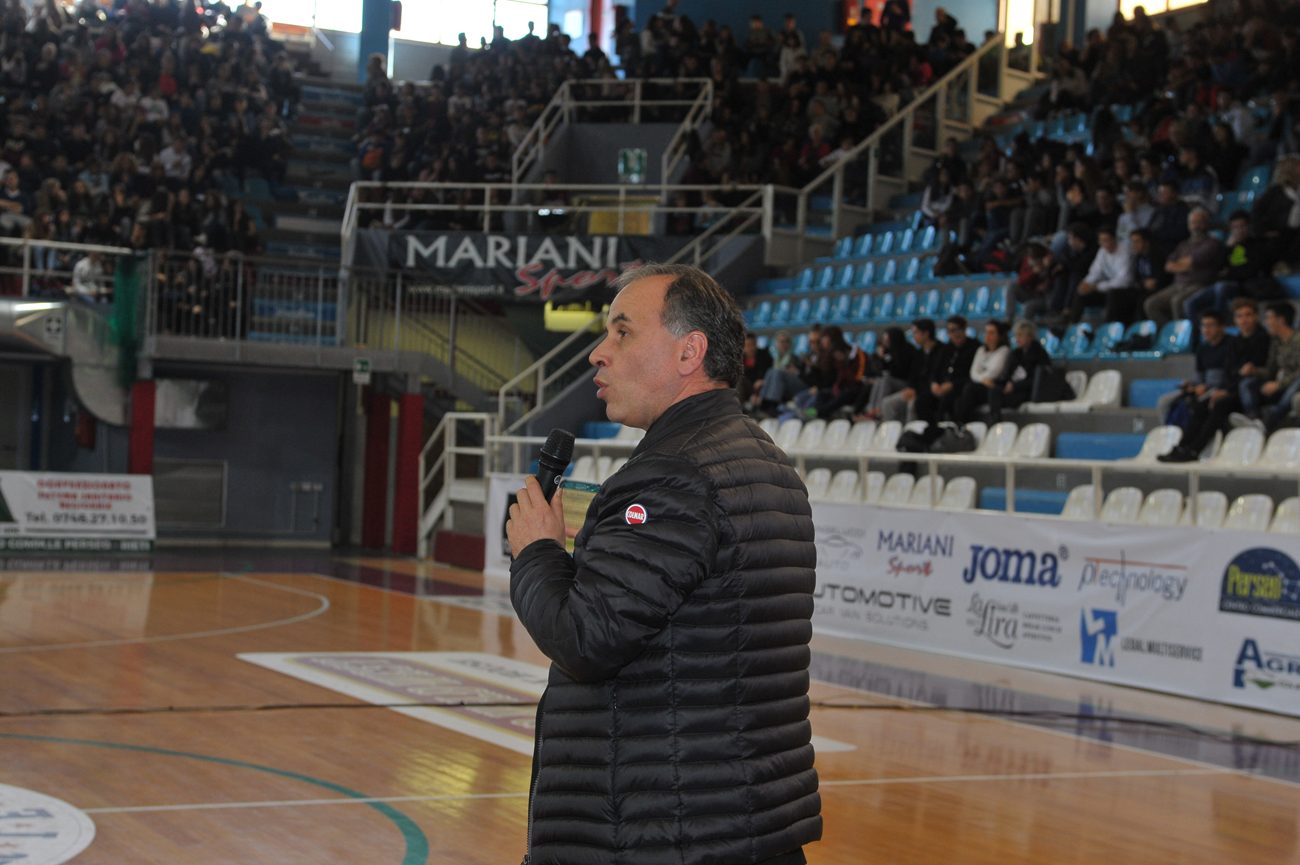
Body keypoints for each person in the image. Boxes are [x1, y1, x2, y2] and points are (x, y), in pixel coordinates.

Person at [506, 263, 822, 865]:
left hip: (659, 832)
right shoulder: (768, 462)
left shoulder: (673, 475)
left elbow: (585, 639)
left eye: (623, 332)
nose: (599, 353)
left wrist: (537, 552)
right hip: (738, 822)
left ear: (689, 352)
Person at [1156, 309, 1242, 459]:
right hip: (1203, 388)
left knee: (1202, 405)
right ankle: (1174, 444)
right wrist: (1192, 385)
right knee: (1165, 402)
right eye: (1203, 326)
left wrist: (1206, 387)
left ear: (1222, 327)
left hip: (1219, 389)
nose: (1206, 330)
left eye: (1211, 325)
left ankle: (1191, 448)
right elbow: (1200, 376)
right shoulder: (1202, 348)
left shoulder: (1231, 345)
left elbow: (1229, 375)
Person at [1141, 207, 1224, 327]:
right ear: (1189, 225)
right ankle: (1168, 332)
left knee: (1177, 301)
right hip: (1178, 284)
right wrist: (1184, 265)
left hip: (1200, 284)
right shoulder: (1183, 244)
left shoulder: (1212, 243)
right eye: (1193, 222)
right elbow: (1168, 266)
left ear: (1207, 224)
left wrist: (1180, 264)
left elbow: (1192, 262)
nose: (1196, 226)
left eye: (1199, 222)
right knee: (1151, 303)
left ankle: (1183, 334)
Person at [1230, 301, 1300, 432]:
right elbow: (1271, 370)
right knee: (1247, 384)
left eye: (1269, 318)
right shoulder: (1276, 341)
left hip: (1291, 385)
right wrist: (1255, 371)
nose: (1266, 322)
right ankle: (1254, 417)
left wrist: (1280, 384)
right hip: (1280, 384)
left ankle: (1271, 420)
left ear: (1280, 320)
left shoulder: (1297, 340)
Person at [881, 318, 951, 423]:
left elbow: (937, 377)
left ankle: (911, 431)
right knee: (887, 403)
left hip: (932, 391)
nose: (913, 336)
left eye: (916, 333)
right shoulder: (918, 354)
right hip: (917, 390)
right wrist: (911, 389)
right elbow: (913, 377)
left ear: (926, 333)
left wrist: (917, 392)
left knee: (913, 403)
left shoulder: (942, 351)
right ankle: (889, 430)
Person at [1069, 223, 1136, 324]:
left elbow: (1124, 281)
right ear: (1099, 242)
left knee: (1113, 294)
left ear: (1115, 238)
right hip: (1109, 288)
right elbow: (1095, 272)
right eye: (1103, 241)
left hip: (1126, 291)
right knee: (1081, 291)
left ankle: (1106, 327)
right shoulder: (1102, 251)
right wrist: (1086, 283)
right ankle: (1072, 324)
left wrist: (1096, 287)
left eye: (1108, 240)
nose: (1107, 244)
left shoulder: (1125, 251)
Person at [989, 320, 1051, 421]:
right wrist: (1005, 383)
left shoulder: (1039, 354)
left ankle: (997, 422)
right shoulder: (1016, 354)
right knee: (994, 389)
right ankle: (995, 422)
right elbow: (1008, 374)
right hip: (1014, 389)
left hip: (1027, 391)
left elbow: (1039, 380)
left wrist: (1015, 386)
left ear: (1030, 336)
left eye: (1020, 335)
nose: (1017, 339)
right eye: (1016, 335)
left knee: (1001, 397)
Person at [954, 320, 1011, 423]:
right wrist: (983, 379)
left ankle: (964, 423)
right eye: (986, 332)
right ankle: (959, 424)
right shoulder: (981, 350)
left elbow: (994, 372)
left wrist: (982, 378)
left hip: (993, 387)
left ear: (1000, 336)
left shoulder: (1004, 351)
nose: (987, 335)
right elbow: (973, 373)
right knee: (960, 394)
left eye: (991, 333)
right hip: (981, 384)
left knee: (970, 389)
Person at [933, 315, 978, 420]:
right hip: (943, 386)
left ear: (964, 330)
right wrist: (934, 383)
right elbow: (936, 369)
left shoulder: (974, 347)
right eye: (952, 331)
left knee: (949, 399)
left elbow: (972, 375)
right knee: (923, 399)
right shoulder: (946, 349)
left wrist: (952, 384)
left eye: (958, 330)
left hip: (961, 386)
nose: (955, 334)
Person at [739, 332, 773, 402]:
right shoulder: (740, 360)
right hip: (748, 386)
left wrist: (763, 381)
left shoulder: (765, 357)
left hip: (763, 386)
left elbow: (770, 374)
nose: (751, 348)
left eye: (753, 344)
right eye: (748, 345)